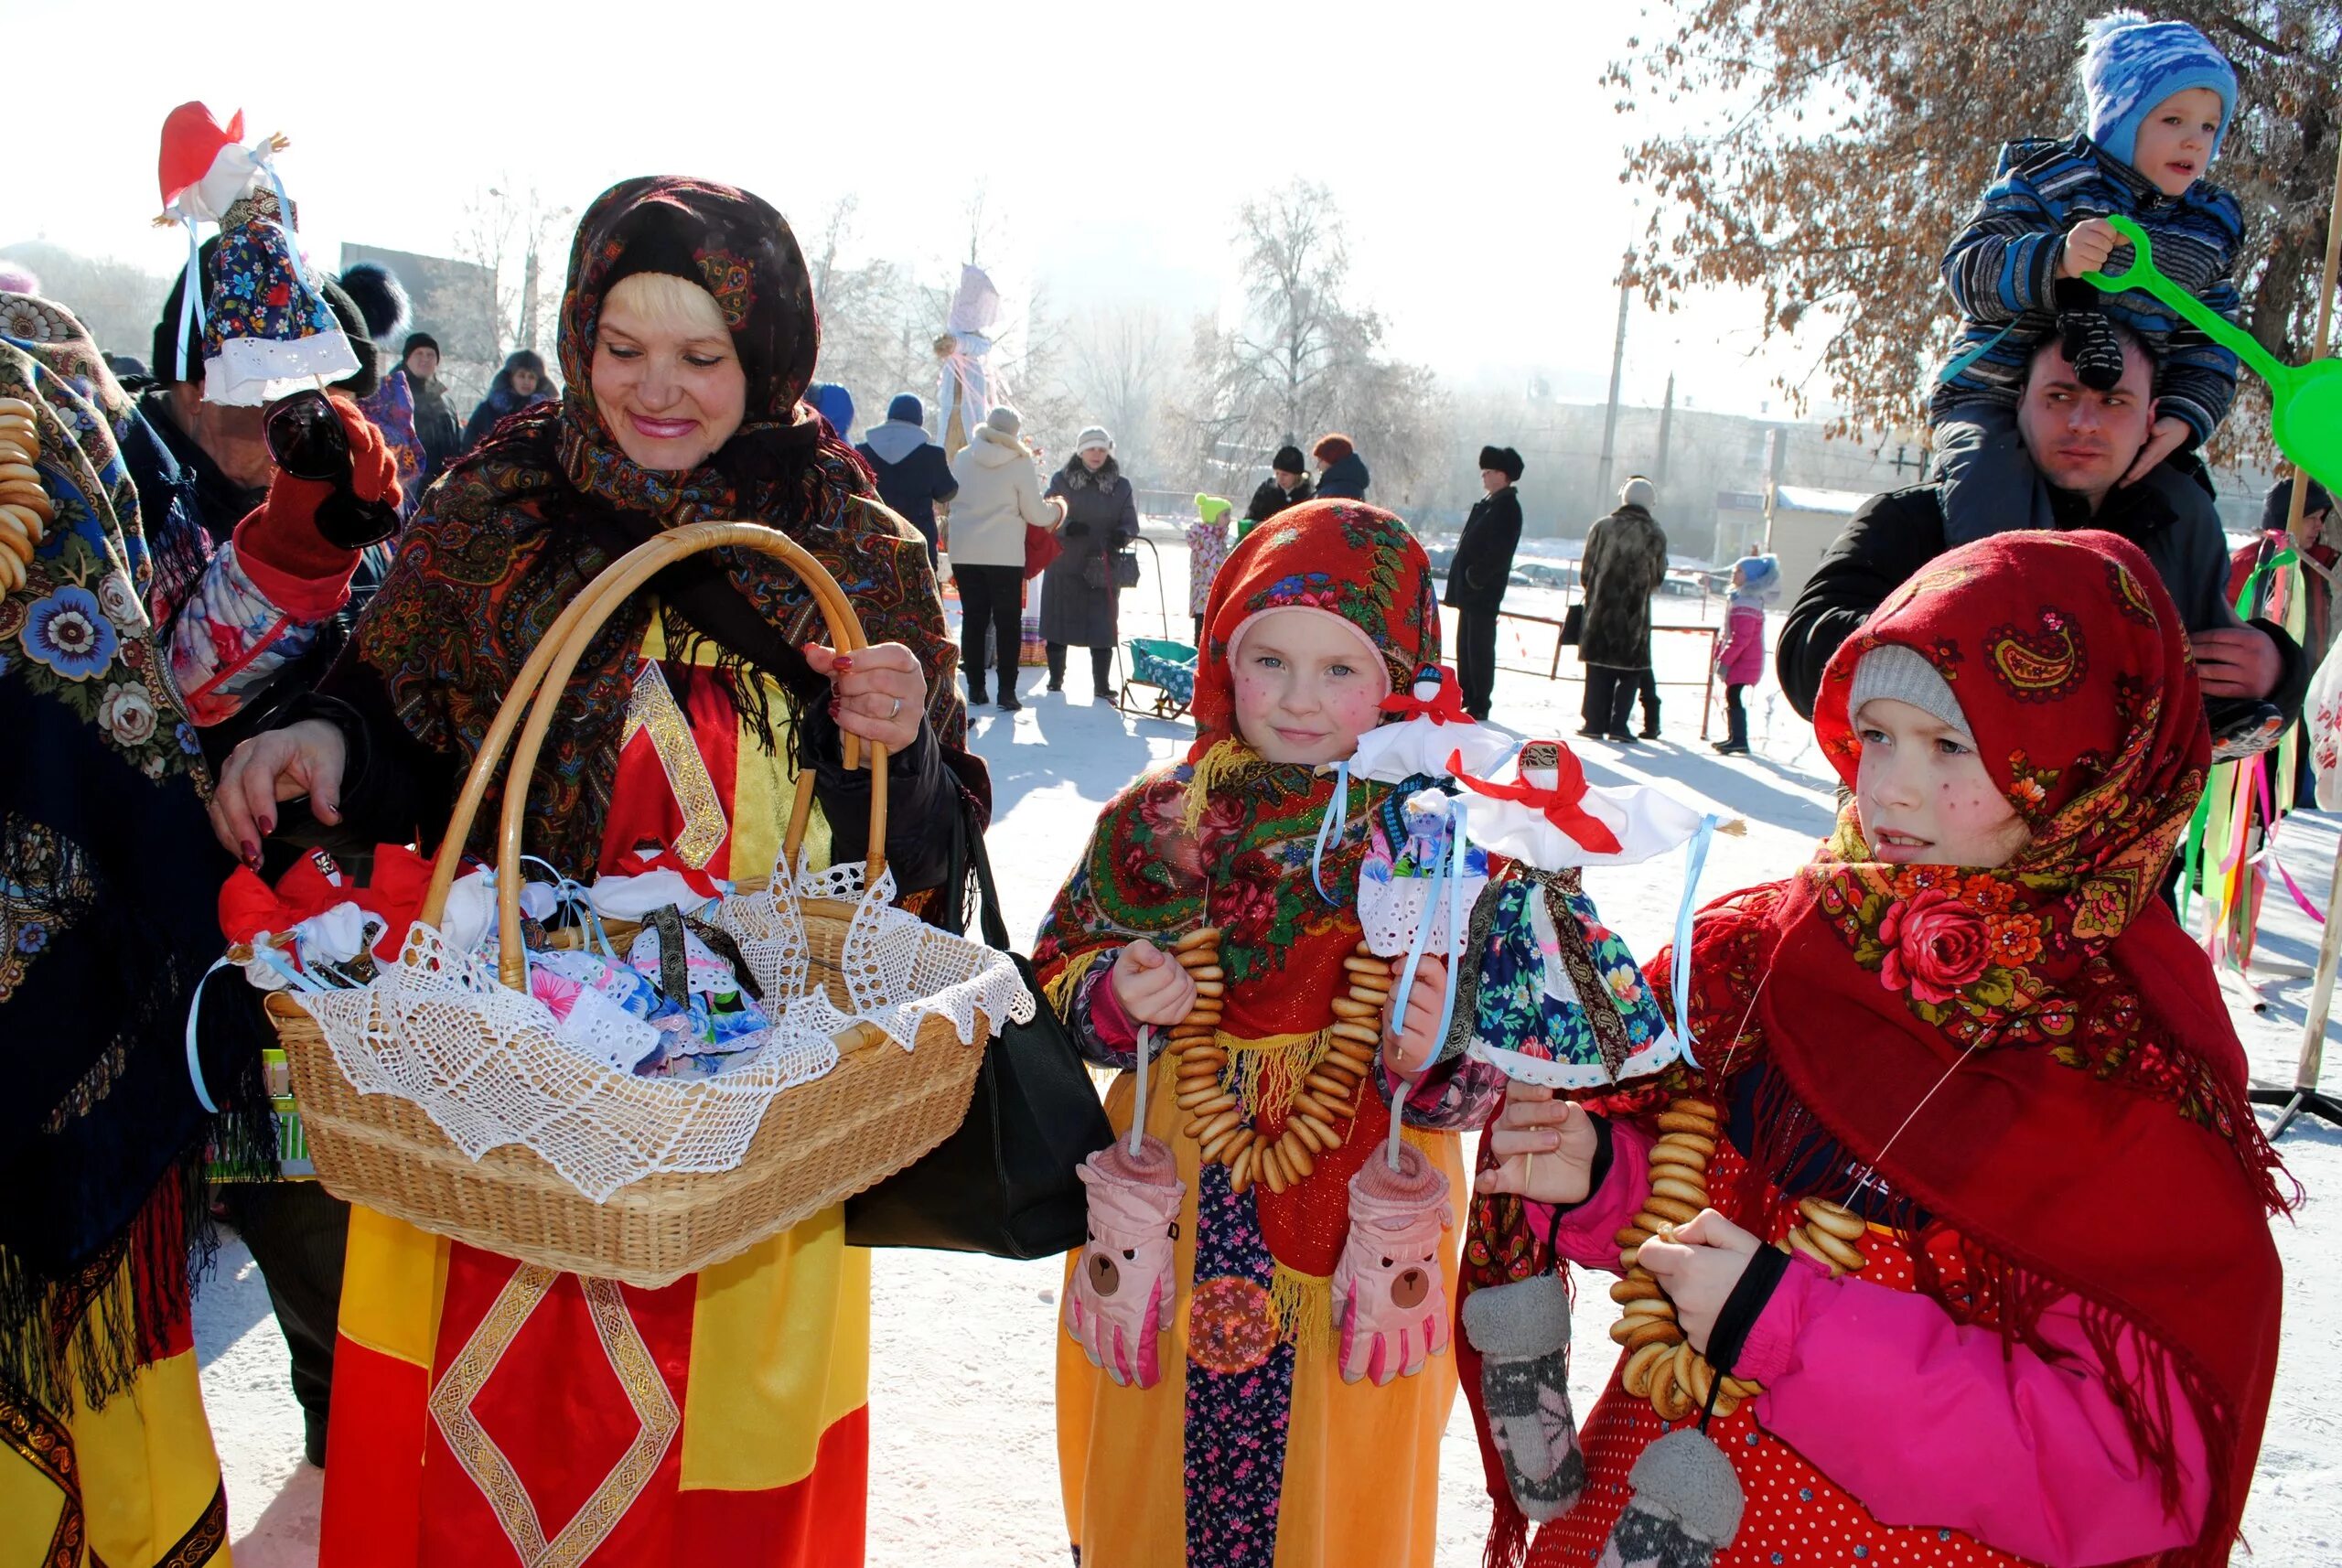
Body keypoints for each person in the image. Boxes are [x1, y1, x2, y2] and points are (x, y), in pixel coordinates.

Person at [207, 177, 986, 1568]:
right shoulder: (493, 505)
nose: (658, 390)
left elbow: (926, 868)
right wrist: (322, 734)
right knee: (454, 1482)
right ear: (579, 338)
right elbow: (400, 720)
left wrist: (901, 744)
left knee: (714, 1499)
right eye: (623, 348)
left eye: (703, 356)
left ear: (770, 360)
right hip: (491, 1109)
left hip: (740, 1144)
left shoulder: (857, 554)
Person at [1449, 530, 2287, 1566]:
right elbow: (1709, 1205)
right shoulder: (1783, 948)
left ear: (2084, 769)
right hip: (1632, 1511)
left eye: (1950, 747)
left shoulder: (2122, 1075)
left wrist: (1791, 1327)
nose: (1886, 788)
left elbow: (2120, 1467)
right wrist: (1604, 1181)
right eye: (1877, 735)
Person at [0, 301, 397, 1566]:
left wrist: (319, 548)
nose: (252, 419)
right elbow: (166, 684)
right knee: (253, 1203)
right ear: (175, 381)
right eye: (226, 389)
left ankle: (346, 1443)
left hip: (288, 951)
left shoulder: (339, 483)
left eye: (285, 394)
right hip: (160, 944)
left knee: (314, 1218)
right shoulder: (133, 485)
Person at [1037, 499, 1468, 1568]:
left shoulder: (1436, 833)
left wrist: (1440, 1046)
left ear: (1401, 674)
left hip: (1369, 1185)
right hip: (1172, 1179)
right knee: (1155, 1430)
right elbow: (1049, 972)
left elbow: (1510, 1037)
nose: (1300, 699)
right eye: (1270, 660)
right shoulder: (1160, 820)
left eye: (1341, 669)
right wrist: (1113, 993)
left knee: (1339, 1451)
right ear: (1225, 659)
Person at [1778, 332, 2304, 744]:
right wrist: (1962, 624)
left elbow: (2224, 724)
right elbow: (1805, 663)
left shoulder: (2180, 533)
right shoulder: (1911, 520)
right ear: (2019, 402)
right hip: (1921, 863)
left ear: (2151, 419)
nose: (2083, 422)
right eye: (2060, 395)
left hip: (2116, 873)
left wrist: (2277, 672)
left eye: (2113, 401)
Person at [1932, 12, 2241, 546]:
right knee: (1992, 488)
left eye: (2208, 127)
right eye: (2173, 121)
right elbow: (1968, 270)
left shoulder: (2207, 227)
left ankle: (2177, 627)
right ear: (2122, 117)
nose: (2194, 141)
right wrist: (2057, 258)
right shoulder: (2049, 180)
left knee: (2184, 510)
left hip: (2123, 423)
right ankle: (1992, 599)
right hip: (1998, 396)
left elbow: (2212, 336)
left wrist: (2186, 416)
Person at [946, 403, 1062, 711]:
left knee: (973, 618)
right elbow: (1036, 514)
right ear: (1014, 433)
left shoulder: (962, 456)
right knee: (1007, 622)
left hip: (965, 550)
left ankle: (975, 688)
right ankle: (1007, 692)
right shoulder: (1019, 462)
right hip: (1004, 555)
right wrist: (1059, 509)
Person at [1041, 425, 1139, 699]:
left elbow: (1130, 521)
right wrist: (1066, 526)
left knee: (1102, 625)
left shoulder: (1121, 486)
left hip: (1103, 564)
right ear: (1080, 451)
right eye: (1091, 448)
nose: (1096, 454)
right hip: (1065, 562)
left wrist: (1123, 534)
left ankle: (1101, 684)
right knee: (1059, 623)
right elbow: (1047, 513)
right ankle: (1055, 679)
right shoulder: (1061, 480)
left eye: (1101, 449)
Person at [1576, 476, 1669, 744]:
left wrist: (1597, 592)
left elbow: (1586, 570)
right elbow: (1658, 577)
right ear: (1650, 503)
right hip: (1634, 616)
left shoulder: (1602, 527)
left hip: (1600, 611)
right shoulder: (1655, 534)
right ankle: (1619, 725)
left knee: (1597, 668)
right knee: (1629, 673)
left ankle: (1594, 722)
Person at [1447, 444, 1525, 722]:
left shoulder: (1507, 508)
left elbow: (1498, 553)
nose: (1484, 476)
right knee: (1466, 645)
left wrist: (1474, 577)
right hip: (1471, 592)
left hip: (1483, 592)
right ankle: (1467, 694)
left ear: (1503, 475)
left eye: (1489, 471)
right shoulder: (1490, 505)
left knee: (1479, 647)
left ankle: (1480, 700)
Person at [855, 392, 956, 565]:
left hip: (873, 538)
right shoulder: (932, 455)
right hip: (917, 540)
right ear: (919, 419)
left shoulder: (863, 451)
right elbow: (946, 492)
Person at [1711, 551, 1778, 756]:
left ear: (1750, 576)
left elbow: (1741, 638)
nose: (1734, 573)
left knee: (1733, 695)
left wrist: (1725, 661)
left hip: (1743, 660)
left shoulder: (1747, 602)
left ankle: (1739, 739)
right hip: (1743, 659)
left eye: (1739, 571)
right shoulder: (1743, 598)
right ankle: (1735, 738)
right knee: (1733, 695)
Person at [398, 333, 464, 482]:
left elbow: (456, 447)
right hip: (407, 487)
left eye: (430, 354)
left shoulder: (446, 402)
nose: (425, 359)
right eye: (419, 353)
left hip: (443, 486)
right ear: (407, 358)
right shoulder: (393, 396)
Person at [460, 348, 555, 450]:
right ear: (510, 378)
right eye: (521, 375)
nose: (526, 381)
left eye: (531, 377)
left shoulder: (548, 414)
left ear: (539, 382)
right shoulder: (487, 410)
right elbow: (469, 447)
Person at [1240, 443, 1314, 539]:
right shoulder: (1266, 490)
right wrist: (1257, 525)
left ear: (1296, 475)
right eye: (1277, 473)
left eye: (1285, 474)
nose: (1280, 479)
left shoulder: (1307, 494)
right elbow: (1249, 519)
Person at [1187, 491, 1233, 645]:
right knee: (1203, 638)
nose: (1229, 519)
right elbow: (1214, 569)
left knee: (1207, 636)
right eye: (1225, 515)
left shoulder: (1217, 538)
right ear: (1214, 517)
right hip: (1205, 597)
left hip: (1208, 597)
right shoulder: (1208, 540)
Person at [1313, 432, 1370, 500]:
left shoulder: (1340, 490)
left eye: (1320, 460)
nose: (1317, 466)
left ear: (1331, 459)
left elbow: (1338, 510)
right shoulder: (1340, 485)